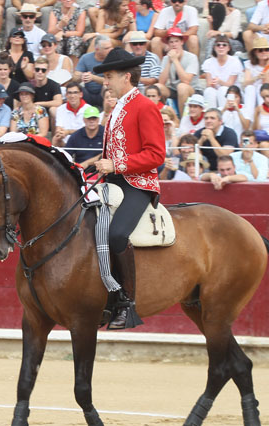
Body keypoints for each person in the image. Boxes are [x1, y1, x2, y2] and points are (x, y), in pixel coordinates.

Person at [93, 46, 164, 330]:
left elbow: (156, 155)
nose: (106, 82)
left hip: (139, 184)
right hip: (114, 182)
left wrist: (116, 165)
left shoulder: (145, 107)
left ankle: (127, 303)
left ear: (125, 76)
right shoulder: (118, 107)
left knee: (118, 234)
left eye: (109, 76)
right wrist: (100, 165)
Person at [156, 27, 199, 116]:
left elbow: (186, 81)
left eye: (176, 41)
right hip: (173, 89)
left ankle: (183, 119)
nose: (174, 44)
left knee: (182, 87)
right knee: (157, 87)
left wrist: (175, 60)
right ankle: (163, 115)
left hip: (191, 90)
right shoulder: (166, 58)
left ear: (182, 42)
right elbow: (161, 82)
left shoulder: (192, 57)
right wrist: (169, 61)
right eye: (171, 42)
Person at [201, 35, 242, 110]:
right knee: (209, 91)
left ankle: (225, 116)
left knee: (223, 90)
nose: (221, 47)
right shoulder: (208, 62)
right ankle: (211, 114)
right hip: (215, 91)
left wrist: (219, 81)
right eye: (218, 45)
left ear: (228, 48)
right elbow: (208, 84)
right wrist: (212, 84)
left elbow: (230, 84)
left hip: (231, 92)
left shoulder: (235, 61)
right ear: (214, 48)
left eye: (224, 45)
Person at [74, 35, 112, 107]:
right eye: (107, 48)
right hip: (88, 92)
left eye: (110, 47)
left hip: (104, 92)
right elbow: (75, 76)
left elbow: (112, 81)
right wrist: (81, 76)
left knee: (106, 87)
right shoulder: (86, 58)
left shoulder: (113, 59)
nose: (110, 50)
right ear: (97, 49)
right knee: (74, 88)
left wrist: (93, 78)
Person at [47, 0, 86, 66]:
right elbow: (50, 31)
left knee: (74, 41)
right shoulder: (55, 12)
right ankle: (56, 68)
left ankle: (73, 71)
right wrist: (60, 25)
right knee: (56, 41)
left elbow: (79, 32)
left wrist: (63, 34)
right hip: (58, 38)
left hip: (73, 38)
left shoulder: (81, 12)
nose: (68, 0)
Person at [52, 81, 89, 146]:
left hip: (84, 141)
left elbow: (86, 131)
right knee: (55, 139)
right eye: (69, 93)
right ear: (66, 95)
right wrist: (59, 133)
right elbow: (59, 127)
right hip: (66, 142)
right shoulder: (60, 109)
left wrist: (68, 132)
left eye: (75, 93)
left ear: (81, 94)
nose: (72, 96)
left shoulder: (88, 109)